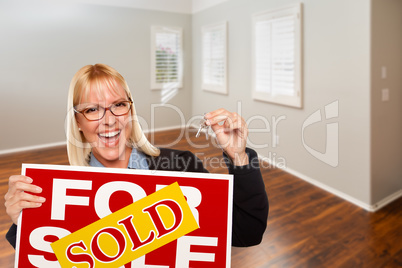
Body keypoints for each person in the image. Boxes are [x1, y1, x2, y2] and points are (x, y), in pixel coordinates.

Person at [4, 63, 268, 249]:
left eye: (118, 105)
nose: (109, 120)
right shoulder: (58, 195)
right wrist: (25, 225)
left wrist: (239, 156)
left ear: (130, 111)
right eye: (93, 109)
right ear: (78, 124)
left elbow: (247, 232)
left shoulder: (181, 166)